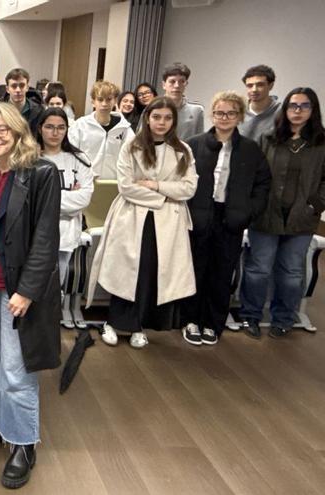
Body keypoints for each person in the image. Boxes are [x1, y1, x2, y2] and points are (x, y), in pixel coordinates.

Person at [0, 102, 62, 490]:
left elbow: (45, 239)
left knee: (15, 367)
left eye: (1, 129)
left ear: (18, 131)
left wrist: (26, 290)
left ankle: (23, 443)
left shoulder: (42, 173)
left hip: (17, 288)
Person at [87, 96, 198, 349]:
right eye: (156, 116)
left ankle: (138, 326)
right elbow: (127, 187)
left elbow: (189, 187)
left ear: (174, 120)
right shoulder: (132, 146)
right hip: (133, 217)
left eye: (167, 118)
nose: (161, 122)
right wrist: (166, 196)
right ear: (148, 118)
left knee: (151, 272)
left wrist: (156, 185)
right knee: (126, 270)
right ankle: (113, 323)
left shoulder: (183, 150)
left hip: (167, 224)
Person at [182, 92, 271, 346]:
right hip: (200, 215)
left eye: (231, 113)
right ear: (212, 114)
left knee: (222, 273)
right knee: (195, 269)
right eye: (220, 112)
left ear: (240, 117)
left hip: (231, 217)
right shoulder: (194, 144)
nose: (225, 118)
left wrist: (249, 211)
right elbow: (181, 180)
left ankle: (212, 323)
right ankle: (190, 320)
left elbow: (263, 184)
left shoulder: (251, 149)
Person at [240, 87, 325, 339]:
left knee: (291, 272)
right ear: (285, 109)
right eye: (293, 106)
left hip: (302, 217)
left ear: (313, 110)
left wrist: (317, 205)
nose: (297, 111)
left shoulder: (321, 143)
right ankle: (251, 316)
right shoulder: (268, 138)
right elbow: (253, 173)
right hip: (266, 214)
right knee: (259, 269)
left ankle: (284, 318)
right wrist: (255, 203)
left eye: (304, 106)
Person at [36, 108, 94, 285]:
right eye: (49, 127)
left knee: (56, 288)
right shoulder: (31, 159)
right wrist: (68, 196)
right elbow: (28, 201)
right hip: (36, 233)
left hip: (66, 234)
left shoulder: (79, 158)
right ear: (40, 129)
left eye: (61, 127)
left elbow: (84, 198)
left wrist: (45, 199)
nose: (55, 132)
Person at [68, 80, 135, 179]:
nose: (104, 104)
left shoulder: (125, 129)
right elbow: (70, 155)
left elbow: (132, 157)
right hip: (84, 182)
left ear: (115, 101)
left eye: (109, 99)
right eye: (100, 99)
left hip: (114, 184)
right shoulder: (80, 126)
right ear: (93, 102)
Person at [160, 62, 205, 140]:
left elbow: (200, 142)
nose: (177, 86)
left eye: (182, 81)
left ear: (186, 84)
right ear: (164, 85)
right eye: (172, 81)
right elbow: (142, 139)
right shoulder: (152, 108)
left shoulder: (197, 110)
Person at [239, 65, 280, 142]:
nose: (254, 90)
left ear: (271, 86)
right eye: (250, 86)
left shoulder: (282, 112)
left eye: (260, 85)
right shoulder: (237, 111)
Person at [5, 68, 44, 132]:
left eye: (22, 85)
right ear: (7, 89)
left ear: (27, 88)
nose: (18, 90)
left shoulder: (39, 111)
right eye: (14, 86)